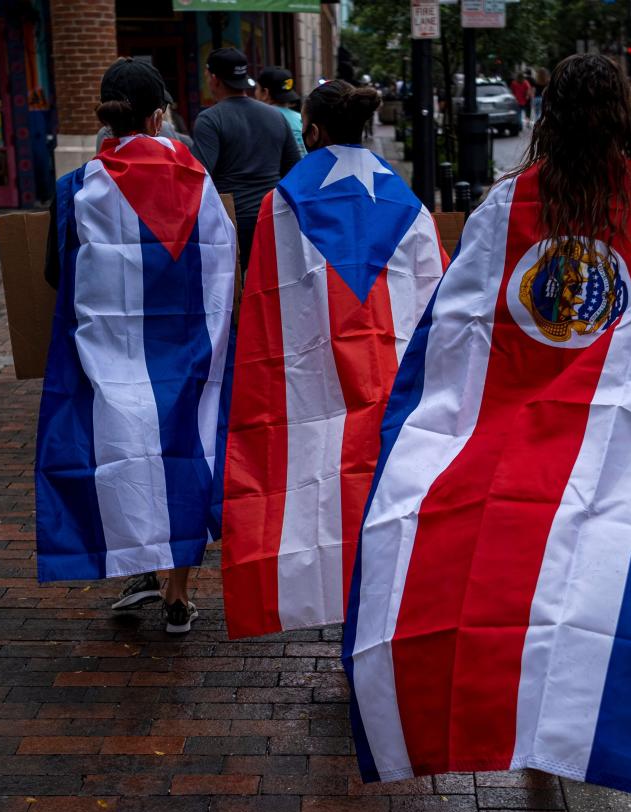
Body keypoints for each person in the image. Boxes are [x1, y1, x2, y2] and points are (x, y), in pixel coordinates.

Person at [342, 52, 631, 797]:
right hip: (600, 439)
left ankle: (514, 722)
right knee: (581, 586)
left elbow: (459, 320)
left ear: (549, 112)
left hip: (501, 437)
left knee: (498, 587)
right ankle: (550, 740)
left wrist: (443, 416)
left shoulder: (508, 203)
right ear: (621, 114)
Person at [221, 80, 446, 639]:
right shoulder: (406, 201)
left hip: (311, 381)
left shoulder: (285, 200)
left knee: (322, 487)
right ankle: (382, 613)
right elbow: (434, 289)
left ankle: (341, 603)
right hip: (392, 378)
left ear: (313, 132)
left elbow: (267, 302)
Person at [37, 57, 237, 634]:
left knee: (124, 456)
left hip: (111, 355)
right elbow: (222, 268)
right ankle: (176, 590)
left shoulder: (77, 188)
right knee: (186, 452)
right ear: (157, 118)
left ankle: (139, 571)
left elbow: (57, 273)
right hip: (191, 349)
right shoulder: (197, 181)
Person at [192, 47, 301, 271]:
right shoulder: (276, 116)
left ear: (213, 79)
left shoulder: (210, 119)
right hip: (273, 218)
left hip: (230, 223)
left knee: (234, 295)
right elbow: (296, 171)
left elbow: (199, 176)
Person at [256, 65, 306, 157]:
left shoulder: (260, 120)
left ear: (265, 93)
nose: (255, 93)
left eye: (257, 88)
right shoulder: (301, 119)